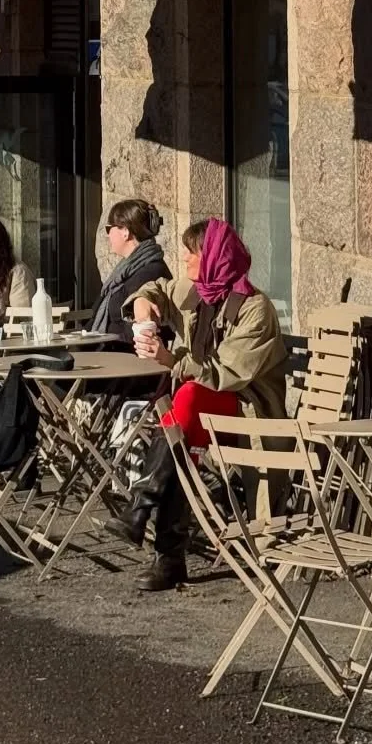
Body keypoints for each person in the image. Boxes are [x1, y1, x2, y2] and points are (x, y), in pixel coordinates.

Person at [109, 218, 287, 592]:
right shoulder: (198, 290)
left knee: (184, 400)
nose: (185, 259)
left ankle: (149, 522)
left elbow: (226, 375)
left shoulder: (255, 309)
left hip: (247, 415)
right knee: (180, 435)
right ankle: (158, 542)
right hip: (201, 414)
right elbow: (156, 287)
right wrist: (142, 302)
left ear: (213, 258)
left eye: (193, 252)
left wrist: (172, 361)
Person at [88, 199, 172, 347]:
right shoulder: (127, 269)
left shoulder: (150, 272)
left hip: (125, 359)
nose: (107, 235)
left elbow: (136, 332)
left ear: (125, 232)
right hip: (109, 351)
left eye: (109, 228)